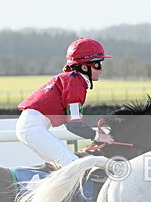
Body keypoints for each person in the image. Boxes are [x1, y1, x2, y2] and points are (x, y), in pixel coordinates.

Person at [17, 38, 115, 167]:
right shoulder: (75, 83)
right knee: (74, 166)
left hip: (31, 126)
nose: (101, 69)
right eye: (98, 64)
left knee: (58, 169)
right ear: (84, 67)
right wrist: (98, 136)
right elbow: (74, 124)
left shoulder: (72, 80)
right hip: (33, 128)